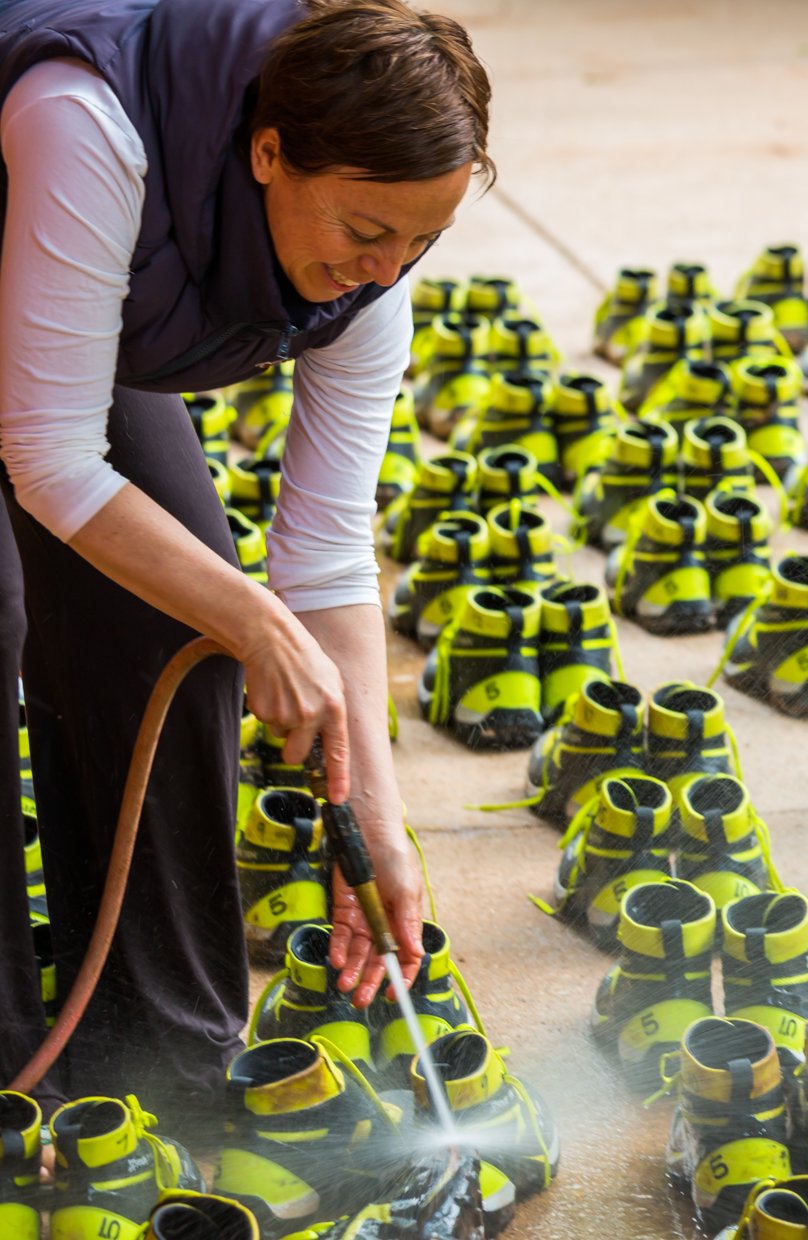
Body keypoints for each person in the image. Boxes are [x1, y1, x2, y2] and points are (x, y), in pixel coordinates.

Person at [0, 0, 490, 1128]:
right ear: (267, 151)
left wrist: (375, 811)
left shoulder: (377, 263)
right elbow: (48, 456)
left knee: (176, 623)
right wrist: (259, 622)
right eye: (368, 230)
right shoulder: (89, 119)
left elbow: (322, 553)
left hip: (76, 297)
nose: (386, 267)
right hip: (34, 218)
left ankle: (155, 1067)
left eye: (421, 240)